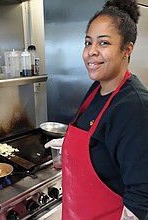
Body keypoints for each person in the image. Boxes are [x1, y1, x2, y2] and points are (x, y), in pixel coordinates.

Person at [45, 0, 148, 219]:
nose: (91, 52)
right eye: (87, 42)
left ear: (127, 50)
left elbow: (141, 195)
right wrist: (66, 148)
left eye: (103, 43)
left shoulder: (134, 107)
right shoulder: (96, 90)